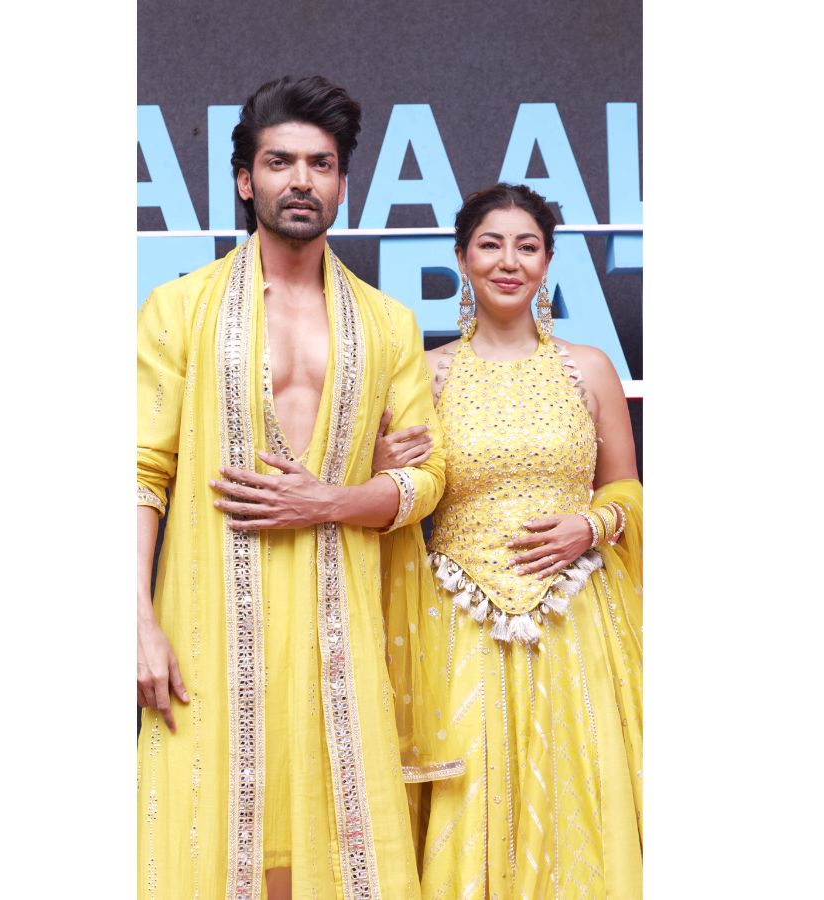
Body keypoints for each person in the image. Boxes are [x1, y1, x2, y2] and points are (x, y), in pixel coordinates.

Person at [136, 75, 450, 900]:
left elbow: (425, 479)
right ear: (246, 180)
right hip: (206, 621)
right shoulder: (179, 310)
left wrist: (331, 500)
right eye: (280, 162)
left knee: (337, 846)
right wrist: (136, 618)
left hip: (339, 628)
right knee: (207, 836)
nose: (301, 180)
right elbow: (140, 472)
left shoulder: (388, 324)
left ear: (343, 183)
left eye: (321, 163)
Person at [378, 183, 643, 897]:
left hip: (576, 617)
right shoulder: (426, 374)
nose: (508, 261)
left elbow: (626, 487)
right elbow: (399, 490)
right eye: (490, 244)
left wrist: (590, 525)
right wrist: (379, 462)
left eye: (527, 246)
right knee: (471, 791)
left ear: (548, 261)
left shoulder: (589, 368)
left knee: (581, 788)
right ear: (462, 257)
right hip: (458, 621)